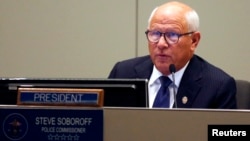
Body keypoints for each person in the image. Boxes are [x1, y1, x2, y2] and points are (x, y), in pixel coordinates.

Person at [108, 1, 237, 109]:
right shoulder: (122, 73)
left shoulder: (218, 86)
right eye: (155, 34)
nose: (161, 44)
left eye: (172, 35)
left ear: (194, 41)